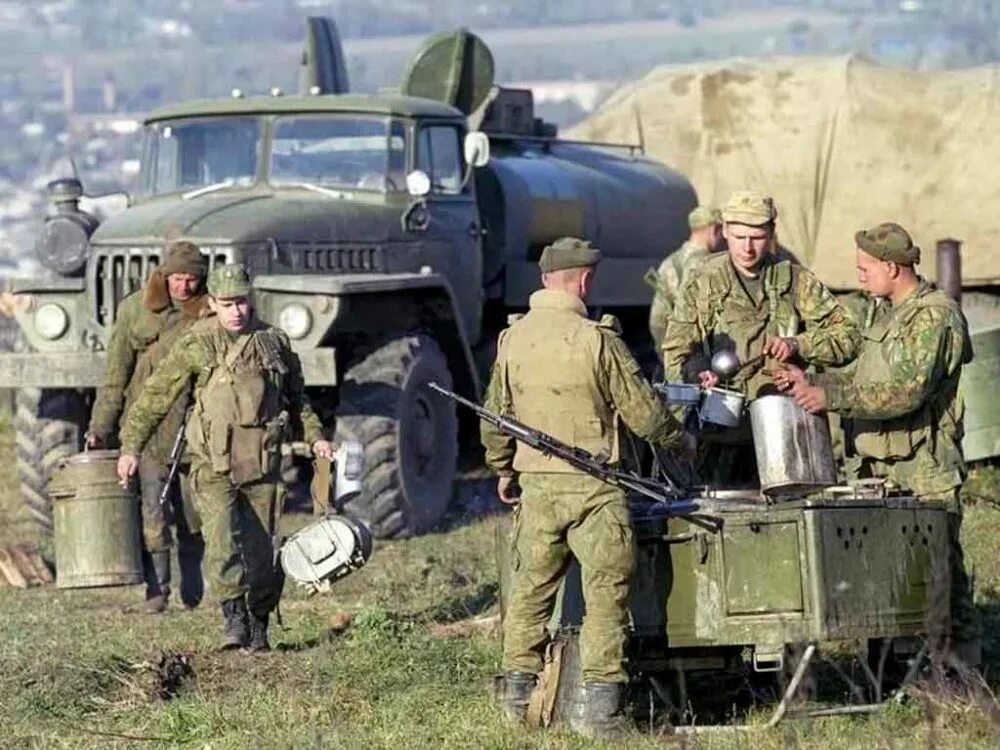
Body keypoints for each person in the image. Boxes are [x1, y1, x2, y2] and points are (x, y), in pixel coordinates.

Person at [481, 237, 684, 738]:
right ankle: (599, 710)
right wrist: (681, 440)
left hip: (538, 488)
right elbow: (643, 413)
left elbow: (495, 416)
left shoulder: (513, 340)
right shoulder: (598, 339)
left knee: (530, 593)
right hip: (595, 490)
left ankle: (515, 701)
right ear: (585, 280)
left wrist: (504, 468)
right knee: (606, 597)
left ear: (546, 279)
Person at [774, 222, 982, 667]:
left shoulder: (934, 317)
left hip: (922, 472)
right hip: (880, 472)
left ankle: (961, 674)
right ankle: (890, 671)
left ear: (891, 266)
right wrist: (809, 380)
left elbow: (906, 390)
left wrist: (830, 397)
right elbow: (866, 376)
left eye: (865, 267)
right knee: (885, 576)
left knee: (941, 576)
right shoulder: (887, 315)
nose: (860, 274)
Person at [116, 263, 334, 652]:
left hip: (262, 465)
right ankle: (233, 620)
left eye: (242, 303)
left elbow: (297, 401)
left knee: (263, 552)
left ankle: (260, 623)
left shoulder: (275, 341)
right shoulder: (196, 343)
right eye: (228, 303)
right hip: (212, 465)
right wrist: (131, 447)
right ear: (212, 303)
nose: (236, 311)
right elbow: (155, 397)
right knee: (221, 545)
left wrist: (316, 438)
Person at [660, 190, 860, 485]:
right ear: (725, 231)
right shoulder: (703, 281)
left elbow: (849, 336)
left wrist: (799, 344)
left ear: (771, 234)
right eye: (739, 237)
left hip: (786, 428)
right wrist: (697, 371)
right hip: (719, 432)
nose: (748, 248)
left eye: (757, 238)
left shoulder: (795, 280)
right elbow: (676, 348)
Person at [85, 240, 210, 613]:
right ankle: (157, 593)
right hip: (148, 429)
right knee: (152, 516)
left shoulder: (209, 313)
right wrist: (100, 427)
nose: (183, 287)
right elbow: (115, 376)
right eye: (176, 278)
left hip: (194, 429)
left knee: (193, 516)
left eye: (191, 279)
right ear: (163, 274)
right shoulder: (133, 311)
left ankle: (193, 586)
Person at [646, 205, 723, 348]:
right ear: (714, 231)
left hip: (677, 350)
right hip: (707, 353)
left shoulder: (669, 263)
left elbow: (657, 320)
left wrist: (668, 356)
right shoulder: (713, 265)